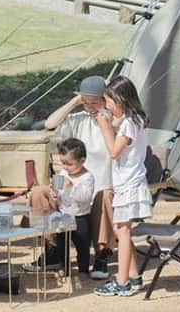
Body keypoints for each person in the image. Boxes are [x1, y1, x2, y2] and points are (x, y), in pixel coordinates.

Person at [44, 75, 116, 278]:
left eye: (94, 102)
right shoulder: (79, 119)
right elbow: (50, 124)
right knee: (41, 192)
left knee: (105, 197)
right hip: (70, 185)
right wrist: (77, 100)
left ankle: (102, 253)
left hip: (101, 184)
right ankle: (52, 250)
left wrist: (104, 112)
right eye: (86, 102)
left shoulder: (113, 121)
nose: (90, 107)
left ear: (105, 99)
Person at [93, 75, 153, 297]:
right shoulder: (134, 117)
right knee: (121, 229)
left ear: (119, 100)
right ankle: (134, 277)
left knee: (122, 230)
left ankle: (122, 282)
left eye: (109, 101)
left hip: (129, 183)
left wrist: (104, 127)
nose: (106, 105)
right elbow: (116, 123)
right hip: (130, 182)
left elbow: (113, 151)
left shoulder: (129, 123)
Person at [23, 137, 95, 276]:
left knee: (82, 245)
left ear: (82, 161)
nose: (65, 167)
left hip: (80, 217)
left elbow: (85, 198)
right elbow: (56, 191)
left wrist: (71, 188)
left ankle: (83, 269)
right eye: (63, 163)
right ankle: (63, 267)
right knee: (62, 243)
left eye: (69, 164)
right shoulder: (62, 173)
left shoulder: (87, 177)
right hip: (63, 213)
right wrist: (54, 193)